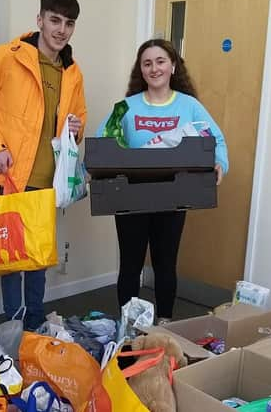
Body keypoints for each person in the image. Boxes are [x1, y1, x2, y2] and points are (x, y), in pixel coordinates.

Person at [0, 0, 86, 330]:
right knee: (12, 259)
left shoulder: (72, 72)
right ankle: (15, 327)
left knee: (38, 260)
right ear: (40, 19)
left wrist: (76, 126)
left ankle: (35, 325)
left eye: (69, 23)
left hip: (49, 181)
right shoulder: (7, 56)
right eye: (55, 20)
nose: (61, 29)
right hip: (12, 177)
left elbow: (79, 120)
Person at [97, 39, 228, 325]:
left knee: (165, 264)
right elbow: (103, 142)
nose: (154, 68)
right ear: (140, 70)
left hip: (173, 197)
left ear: (172, 66)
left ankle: (166, 323)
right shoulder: (126, 107)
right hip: (130, 197)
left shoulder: (189, 106)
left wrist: (219, 162)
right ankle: (128, 325)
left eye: (160, 61)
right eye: (147, 63)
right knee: (130, 266)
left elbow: (214, 139)